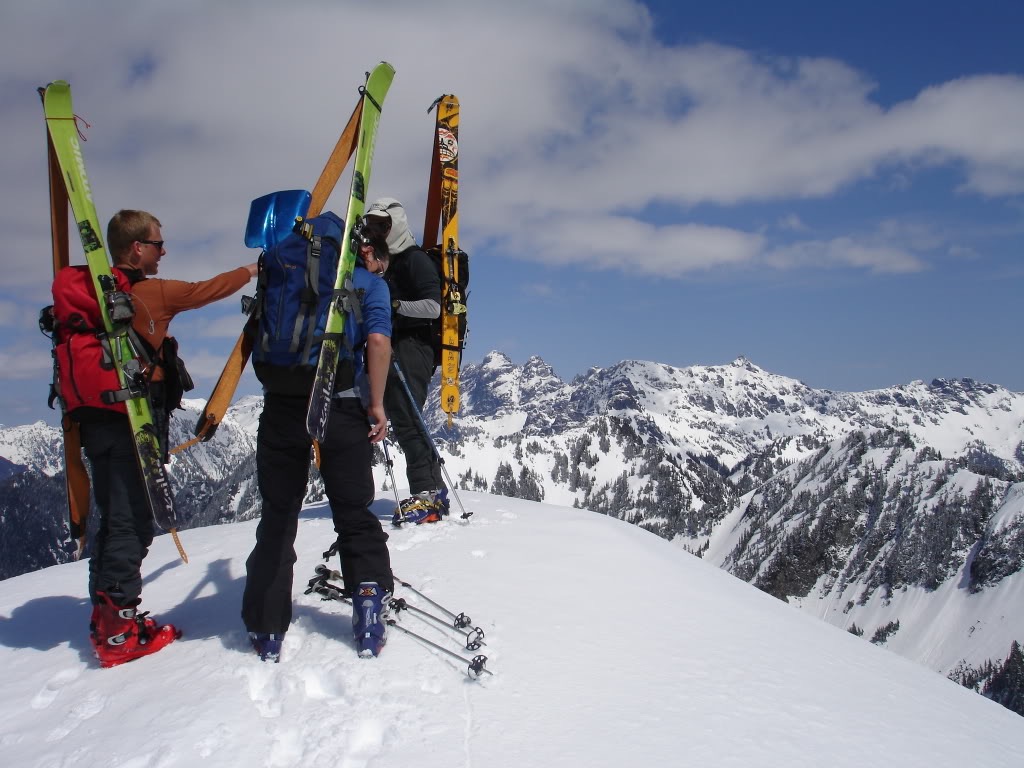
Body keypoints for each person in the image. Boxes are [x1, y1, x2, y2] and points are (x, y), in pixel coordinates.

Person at [80, 209, 258, 668]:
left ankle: (105, 616)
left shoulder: (94, 296)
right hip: (132, 422)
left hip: (95, 419)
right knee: (133, 521)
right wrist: (255, 269)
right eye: (158, 244)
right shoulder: (149, 293)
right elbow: (204, 292)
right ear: (136, 248)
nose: (164, 251)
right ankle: (119, 634)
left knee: (111, 513)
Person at [241, 228, 395, 662]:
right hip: (341, 405)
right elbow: (379, 343)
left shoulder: (283, 271)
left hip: (282, 407)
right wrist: (377, 405)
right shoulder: (368, 283)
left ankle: (267, 627)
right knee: (352, 510)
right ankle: (367, 608)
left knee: (279, 513)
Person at [363, 197, 448, 525]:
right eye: (372, 225)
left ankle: (426, 494)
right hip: (395, 345)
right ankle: (433, 493)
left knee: (408, 416)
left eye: (382, 225)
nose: (376, 231)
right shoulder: (387, 263)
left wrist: (394, 305)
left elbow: (434, 307)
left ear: (395, 225)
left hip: (414, 346)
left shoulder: (414, 260)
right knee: (402, 414)